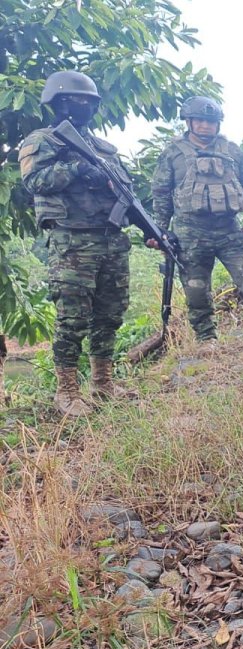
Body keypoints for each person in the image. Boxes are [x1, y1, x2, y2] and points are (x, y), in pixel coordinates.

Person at [19, 70, 137, 417]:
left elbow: (126, 194)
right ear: (57, 102)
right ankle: (67, 391)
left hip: (111, 239)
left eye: (89, 101)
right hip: (72, 242)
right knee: (73, 318)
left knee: (111, 314)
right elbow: (35, 181)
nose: (83, 105)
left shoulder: (103, 148)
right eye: (76, 99)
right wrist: (78, 170)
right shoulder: (44, 141)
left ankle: (103, 383)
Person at [151, 96, 243, 349]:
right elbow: (161, 193)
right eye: (200, 121)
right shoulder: (173, 153)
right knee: (196, 289)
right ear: (189, 122)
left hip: (229, 230)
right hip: (189, 233)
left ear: (218, 124)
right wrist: (160, 231)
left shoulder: (232, 151)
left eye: (211, 122)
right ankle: (207, 340)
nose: (205, 126)